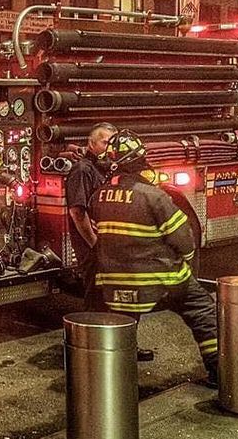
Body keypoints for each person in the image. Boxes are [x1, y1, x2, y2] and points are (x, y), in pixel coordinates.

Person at [90, 129, 218, 388]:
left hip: (114, 283)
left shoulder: (99, 196)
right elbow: (183, 240)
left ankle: (113, 384)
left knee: (122, 322)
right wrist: (187, 261)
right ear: (141, 160)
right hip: (161, 281)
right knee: (202, 310)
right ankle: (220, 371)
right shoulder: (155, 196)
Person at [64, 121, 117, 301]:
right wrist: (95, 244)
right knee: (96, 298)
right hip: (91, 248)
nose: (109, 148)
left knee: (107, 297)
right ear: (91, 143)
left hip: (104, 245)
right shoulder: (82, 170)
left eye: (112, 144)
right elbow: (77, 213)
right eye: (104, 143)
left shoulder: (104, 169)